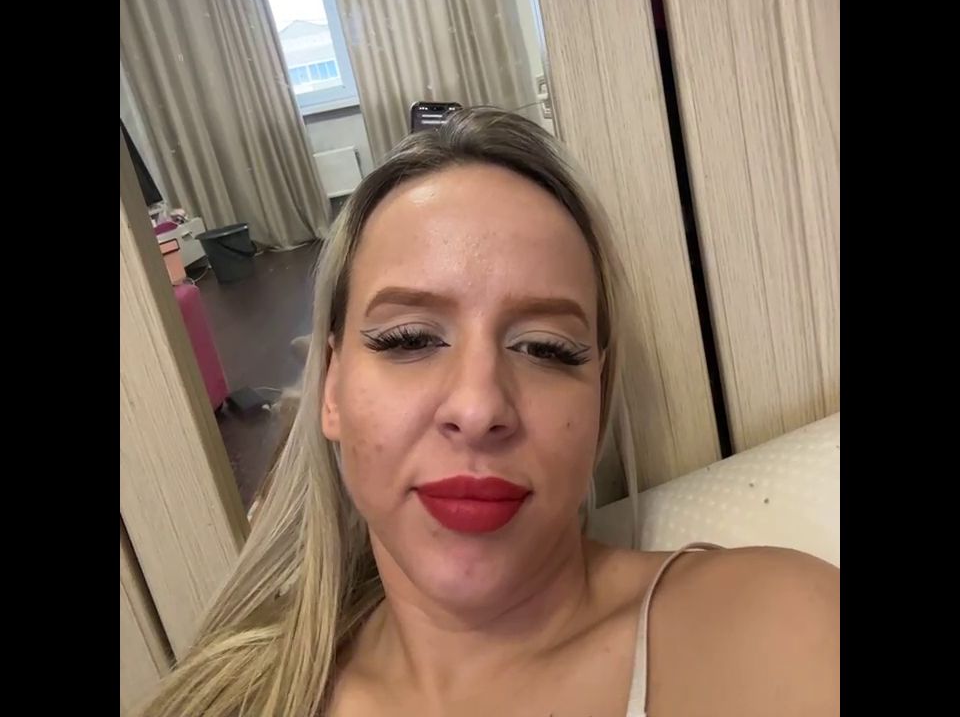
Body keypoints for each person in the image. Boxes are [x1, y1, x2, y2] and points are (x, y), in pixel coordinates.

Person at [141, 107, 839, 717]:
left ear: (598, 398)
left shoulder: (773, 637)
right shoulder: (233, 695)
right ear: (330, 390)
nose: (478, 409)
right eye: (409, 339)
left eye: (545, 348)